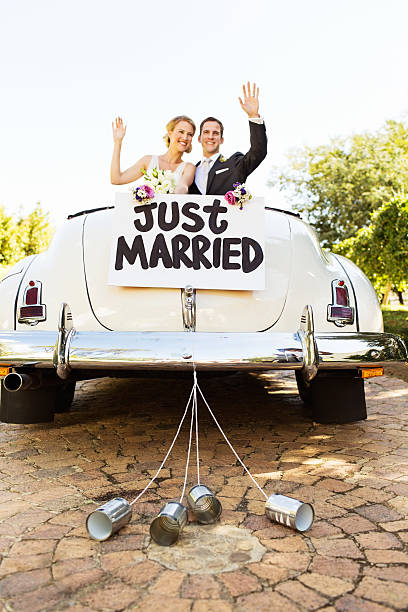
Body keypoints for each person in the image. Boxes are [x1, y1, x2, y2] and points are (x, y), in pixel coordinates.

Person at [189, 82, 267, 196]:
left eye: (215, 133)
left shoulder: (235, 164)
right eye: (206, 132)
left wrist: (253, 116)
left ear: (221, 140)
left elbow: (258, 151)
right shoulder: (190, 171)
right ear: (199, 138)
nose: (210, 136)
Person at [110, 116, 197, 194]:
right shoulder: (148, 160)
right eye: (181, 132)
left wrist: (174, 194)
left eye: (190, 134)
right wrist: (118, 142)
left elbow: (183, 186)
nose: (185, 138)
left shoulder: (189, 167)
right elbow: (116, 179)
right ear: (170, 133)